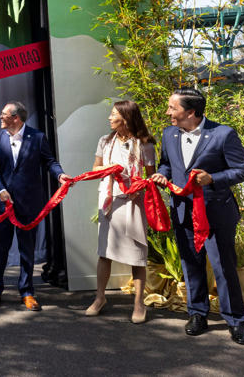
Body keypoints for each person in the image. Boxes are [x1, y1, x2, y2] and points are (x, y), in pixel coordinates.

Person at [151, 87, 244, 346]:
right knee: (191, 264)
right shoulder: (169, 133)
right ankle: (197, 314)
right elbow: (166, 163)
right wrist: (163, 174)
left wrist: (213, 179)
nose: (167, 112)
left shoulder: (223, 134)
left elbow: (241, 171)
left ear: (191, 112)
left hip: (216, 212)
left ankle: (236, 321)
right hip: (183, 211)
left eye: (172, 108)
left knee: (223, 266)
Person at [0, 101, 70, 312]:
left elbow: (50, 161)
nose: (0, 117)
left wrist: (60, 175)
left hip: (29, 204)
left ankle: (27, 292)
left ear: (16, 118)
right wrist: (0, 189)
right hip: (3, 204)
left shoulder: (38, 137)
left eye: (4, 114)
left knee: (27, 250)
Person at [85, 101, 155, 323]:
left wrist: (135, 182)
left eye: (113, 114)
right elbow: (95, 168)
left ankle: (138, 304)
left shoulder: (145, 144)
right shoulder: (105, 141)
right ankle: (100, 298)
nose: (109, 118)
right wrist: (109, 169)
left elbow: (151, 178)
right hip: (109, 200)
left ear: (126, 117)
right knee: (104, 252)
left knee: (137, 254)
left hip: (133, 201)